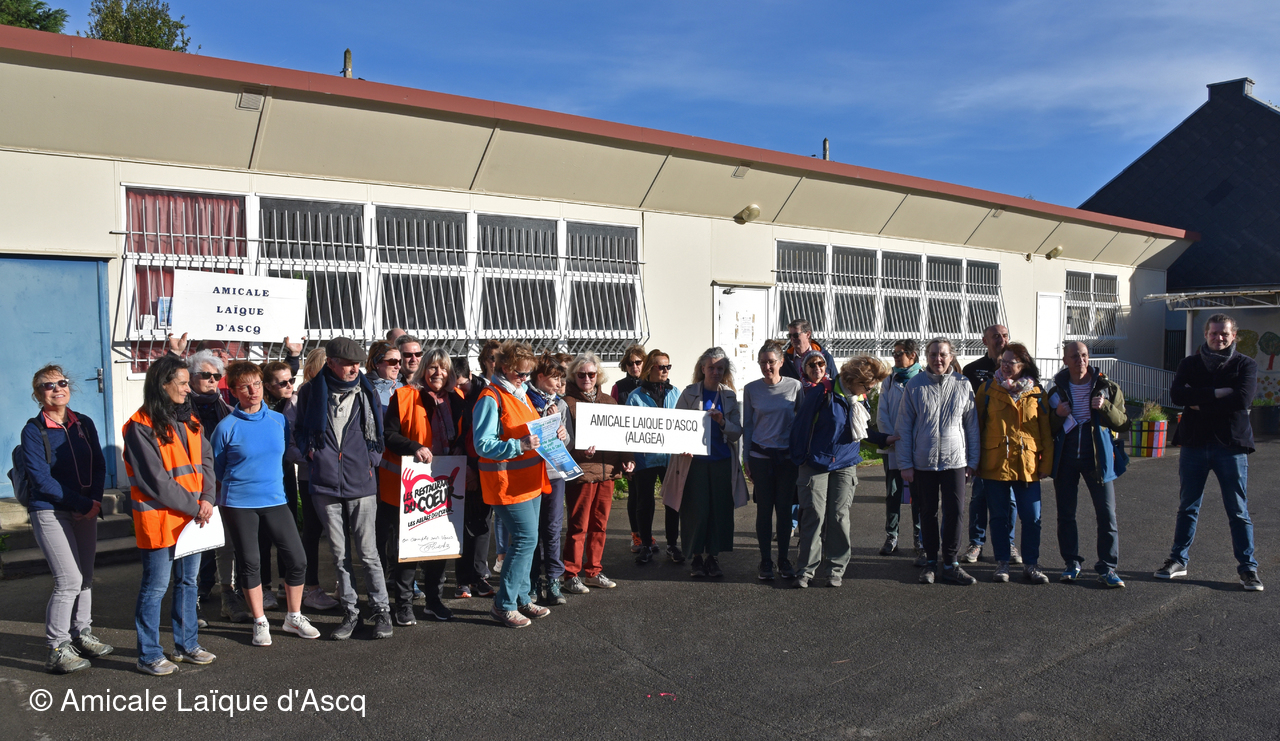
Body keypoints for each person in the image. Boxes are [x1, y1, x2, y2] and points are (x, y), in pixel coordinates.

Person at [121, 354, 218, 675]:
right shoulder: (139, 426)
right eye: (182, 383)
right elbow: (155, 481)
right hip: (162, 519)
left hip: (192, 519)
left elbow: (206, 461)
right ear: (163, 385)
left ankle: (187, 645)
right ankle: (148, 654)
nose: (189, 389)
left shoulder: (189, 419)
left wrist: (207, 498)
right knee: (155, 588)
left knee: (188, 583)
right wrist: (197, 506)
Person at [212, 362, 320, 645]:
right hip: (239, 503)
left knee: (297, 559)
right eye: (245, 386)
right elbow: (217, 470)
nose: (253, 391)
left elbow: (282, 454)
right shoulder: (226, 428)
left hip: (275, 499)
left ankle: (293, 617)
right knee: (250, 563)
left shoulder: (278, 421)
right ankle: (260, 621)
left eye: (257, 384)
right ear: (233, 391)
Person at [294, 337, 393, 640]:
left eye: (357, 364)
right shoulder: (310, 392)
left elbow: (378, 432)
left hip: (361, 484)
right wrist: (313, 456)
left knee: (369, 553)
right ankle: (351, 612)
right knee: (339, 555)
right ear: (331, 363)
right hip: (325, 485)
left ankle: (381, 611)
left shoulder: (367, 390)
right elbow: (300, 432)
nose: (354, 369)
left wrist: (370, 461)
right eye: (348, 364)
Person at [1157, 313, 1263, 591]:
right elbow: (1178, 395)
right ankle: (1178, 560)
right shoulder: (1189, 364)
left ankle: (1248, 568)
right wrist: (1218, 393)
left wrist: (1200, 400)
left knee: (1237, 510)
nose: (1219, 338)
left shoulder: (1245, 364)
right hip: (1194, 443)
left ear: (1234, 336)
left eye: (1224, 333)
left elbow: (1242, 399)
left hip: (1231, 446)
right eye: (1214, 333)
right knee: (1187, 506)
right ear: (1205, 335)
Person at [21, 366, 111, 674]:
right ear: (38, 394)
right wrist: (82, 503)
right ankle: (57, 648)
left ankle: (81, 634)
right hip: (49, 510)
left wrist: (93, 502)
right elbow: (41, 480)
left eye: (62, 382)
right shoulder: (34, 430)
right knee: (68, 580)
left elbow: (99, 465)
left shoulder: (83, 423)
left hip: (85, 508)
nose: (57, 388)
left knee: (85, 575)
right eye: (48, 386)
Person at [473, 340, 558, 628]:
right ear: (504, 368)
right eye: (520, 373)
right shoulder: (491, 397)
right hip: (507, 483)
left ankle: (521, 597)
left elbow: (530, 431)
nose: (524, 378)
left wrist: (551, 429)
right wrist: (519, 445)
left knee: (526, 542)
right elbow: (483, 444)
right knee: (525, 540)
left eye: (527, 373)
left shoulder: (519, 393)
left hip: (529, 481)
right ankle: (504, 604)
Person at [380, 347, 463, 625]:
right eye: (433, 367)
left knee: (439, 545)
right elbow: (388, 434)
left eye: (443, 368)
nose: (438, 373)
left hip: (446, 482)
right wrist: (414, 446)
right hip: (409, 485)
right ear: (423, 369)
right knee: (410, 548)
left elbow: (463, 434)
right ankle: (403, 604)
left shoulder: (457, 398)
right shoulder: (404, 396)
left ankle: (433, 602)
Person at [788, 356, 887, 587]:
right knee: (814, 516)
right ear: (853, 380)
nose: (870, 390)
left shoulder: (858, 397)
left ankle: (835, 569)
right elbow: (800, 428)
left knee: (839, 517)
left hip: (846, 463)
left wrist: (883, 439)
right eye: (867, 386)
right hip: (816, 463)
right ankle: (806, 570)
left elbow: (860, 430)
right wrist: (801, 460)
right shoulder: (821, 393)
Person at [896, 337, 980, 586]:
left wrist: (973, 460)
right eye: (933, 354)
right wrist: (905, 464)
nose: (938, 359)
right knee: (927, 512)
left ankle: (951, 563)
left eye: (942, 354)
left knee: (955, 512)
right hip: (923, 461)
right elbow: (904, 426)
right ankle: (931, 562)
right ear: (927, 357)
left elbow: (971, 426)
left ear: (951, 357)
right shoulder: (915, 385)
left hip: (955, 461)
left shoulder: (963, 384)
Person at [1047, 341, 1129, 587]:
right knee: (1066, 514)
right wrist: (1057, 415)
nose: (1080, 360)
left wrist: (1106, 407)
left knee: (1106, 514)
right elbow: (1046, 427)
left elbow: (1123, 423)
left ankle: (1108, 567)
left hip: (1097, 459)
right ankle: (1071, 563)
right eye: (1074, 356)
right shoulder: (1055, 390)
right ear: (1065, 360)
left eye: (1083, 355)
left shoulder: (1107, 387)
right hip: (1066, 458)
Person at [663, 348, 747, 579]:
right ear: (702, 368)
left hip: (722, 462)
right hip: (694, 464)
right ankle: (696, 557)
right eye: (711, 367)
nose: (715, 372)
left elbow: (736, 432)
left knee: (719, 511)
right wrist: (683, 445)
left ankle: (713, 557)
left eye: (720, 368)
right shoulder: (689, 393)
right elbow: (676, 427)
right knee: (696, 511)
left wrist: (723, 422)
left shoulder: (729, 396)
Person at [974, 343, 1053, 584]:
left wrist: (1046, 465)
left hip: (1027, 464)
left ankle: (1031, 564)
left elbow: (1046, 432)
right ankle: (1002, 563)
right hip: (994, 462)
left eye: (1012, 362)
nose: (1006, 366)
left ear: (1023, 364)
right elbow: (976, 428)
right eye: (1003, 361)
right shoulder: (987, 389)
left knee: (1032, 517)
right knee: (999, 517)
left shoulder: (1037, 392)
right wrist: (974, 461)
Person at [559, 352, 634, 591]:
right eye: (581, 374)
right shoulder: (566, 403)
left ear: (598, 375)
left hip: (607, 472)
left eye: (591, 374)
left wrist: (628, 458)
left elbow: (622, 435)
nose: (587, 378)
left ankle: (593, 571)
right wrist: (580, 451)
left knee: (600, 525)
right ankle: (571, 574)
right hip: (582, 473)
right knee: (578, 525)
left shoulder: (610, 402)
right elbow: (562, 442)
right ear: (573, 375)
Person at [187, 350, 248, 622]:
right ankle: (191, 601)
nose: (213, 380)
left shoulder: (227, 409)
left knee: (225, 545)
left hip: (222, 486)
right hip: (191, 488)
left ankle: (227, 597)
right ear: (191, 377)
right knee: (193, 547)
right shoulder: (180, 409)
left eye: (216, 376)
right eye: (206, 375)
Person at [742, 339, 803, 580]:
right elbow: (748, 425)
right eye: (762, 363)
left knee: (785, 510)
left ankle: (784, 559)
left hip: (786, 458)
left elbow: (802, 422)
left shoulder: (795, 386)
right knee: (764, 510)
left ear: (781, 362)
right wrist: (746, 457)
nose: (767, 367)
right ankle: (765, 560)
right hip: (761, 456)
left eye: (771, 362)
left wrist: (800, 455)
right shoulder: (751, 389)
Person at [960, 324, 1017, 565]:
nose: (1001, 340)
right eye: (995, 336)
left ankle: (1008, 543)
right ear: (985, 341)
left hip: (1010, 445)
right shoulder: (972, 370)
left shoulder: (1018, 368)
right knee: (980, 496)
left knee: (1010, 498)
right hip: (982, 443)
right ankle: (976, 543)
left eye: (1005, 336)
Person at [453, 339, 502, 599]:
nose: (496, 363)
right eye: (492, 358)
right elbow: (459, 436)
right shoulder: (456, 396)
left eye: (461, 385)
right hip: (463, 467)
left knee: (482, 524)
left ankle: (480, 576)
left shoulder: (488, 393)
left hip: (485, 468)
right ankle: (463, 579)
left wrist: (475, 469)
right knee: (463, 524)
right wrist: (467, 468)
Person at [291, 349, 340, 610]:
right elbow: (291, 444)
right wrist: (314, 458)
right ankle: (311, 588)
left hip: (338, 477)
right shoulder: (299, 399)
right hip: (311, 477)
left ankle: (342, 585)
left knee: (339, 533)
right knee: (312, 533)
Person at [626, 349, 683, 563]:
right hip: (645, 458)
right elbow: (628, 429)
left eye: (668, 366)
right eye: (661, 366)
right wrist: (630, 457)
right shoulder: (635, 396)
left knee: (672, 502)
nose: (665, 370)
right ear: (650, 368)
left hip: (670, 458)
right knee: (644, 503)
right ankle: (646, 545)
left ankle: (672, 544)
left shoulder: (676, 393)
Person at [525, 353, 570, 603]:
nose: (559, 384)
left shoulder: (560, 404)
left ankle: (553, 579)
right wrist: (545, 420)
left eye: (561, 379)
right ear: (540, 377)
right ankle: (532, 581)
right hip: (530, 472)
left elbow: (568, 440)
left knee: (552, 529)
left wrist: (562, 433)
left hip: (554, 473)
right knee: (531, 531)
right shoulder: (524, 400)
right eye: (555, 378)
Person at [877, 339, 923, 563]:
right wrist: (889, 437)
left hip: (917, 446)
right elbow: (882, 411)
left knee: (918, 495)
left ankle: (919, 537)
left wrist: (917, 440)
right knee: (893, 492)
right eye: (894, 353)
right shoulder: (889, 381)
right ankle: (892, 536)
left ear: (912, 355)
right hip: (894, 445)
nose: (895, 357)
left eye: (900, 353)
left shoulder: (923, 379)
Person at [366, 341, 403, 407]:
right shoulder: (367, 391)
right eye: (393, 361)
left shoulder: (404, 386)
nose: (398, 367)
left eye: (400, 362)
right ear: (377, 363)